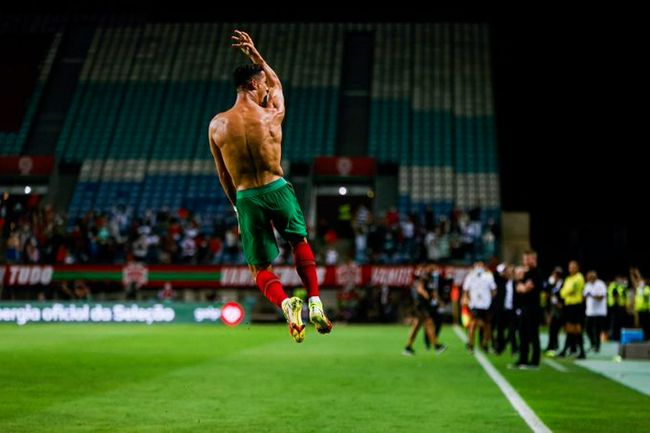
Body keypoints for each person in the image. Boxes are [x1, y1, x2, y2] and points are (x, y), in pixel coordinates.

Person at [208, 30, 332, 343]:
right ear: (253, 84)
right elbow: (277, 83)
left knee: (258, 267)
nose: (266, 87)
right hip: (277, 187)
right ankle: (315, 300)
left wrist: (237, 207)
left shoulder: (217, 124)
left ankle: (286, 303)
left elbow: (223, 175)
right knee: (299, 241)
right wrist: (256, 56)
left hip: (247, 196)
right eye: (261, 83)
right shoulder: (271, 114)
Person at [403, 264, 446, 356]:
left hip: (425, 306)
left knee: (416, 327)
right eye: (432, 268)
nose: (434, 270)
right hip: (421, 306)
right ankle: (437, 346)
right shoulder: (423, 278)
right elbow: (420, 289)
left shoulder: (430, 280)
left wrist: (438, 301)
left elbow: (434, 292)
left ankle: (408, 347)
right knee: (429, 323)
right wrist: (426, 296)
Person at [512, 251, 543, 369]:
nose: (525, 261)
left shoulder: (536, 273)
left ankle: (535, 361)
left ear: (533, 259)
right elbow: (518, 287)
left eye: (527, 259)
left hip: (533, 307)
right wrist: (520, 283)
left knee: (533, 334)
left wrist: (521, 285)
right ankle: (523, 359)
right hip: (524, 307)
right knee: (522, 333)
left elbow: (525, 289)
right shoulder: (525, 274)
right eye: (524, 258)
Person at [462, 261, 496, 353]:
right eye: (477, 265)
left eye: (480, 265)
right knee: (473, 322)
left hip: (486, 304)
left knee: (486, 325)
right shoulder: (470, 276)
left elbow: (493, 289)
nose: (479, 267)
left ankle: (484, 344)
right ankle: (470, 343)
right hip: (475, 303)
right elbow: (465, 289)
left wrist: (491, 300)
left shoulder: (488, 276)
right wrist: (467, 299)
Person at [558, 260, 586, 358]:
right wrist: (564, 292)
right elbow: (562, 292)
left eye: (573, 267)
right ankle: (568, 350)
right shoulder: (568, 278)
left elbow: (570, 290)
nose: (571, 269)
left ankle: (580, 351)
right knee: (569, 329)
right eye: (570, 267)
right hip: (568, 306)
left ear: (577, 268)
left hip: (576, 305)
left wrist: (564, 292)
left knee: (577, 329)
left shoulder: (579, 277)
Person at [583, 271, 607, 352]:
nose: (589, 279)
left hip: (600, 312)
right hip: (590, 311)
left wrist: (592, 295)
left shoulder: (600, 284)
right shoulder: (587, 285)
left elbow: (601, 297)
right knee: (587, 329)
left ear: (595, 277)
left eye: (591, 277)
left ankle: (597, 346)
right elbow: (584, 296)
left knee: (597, 330)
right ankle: (593, 343)